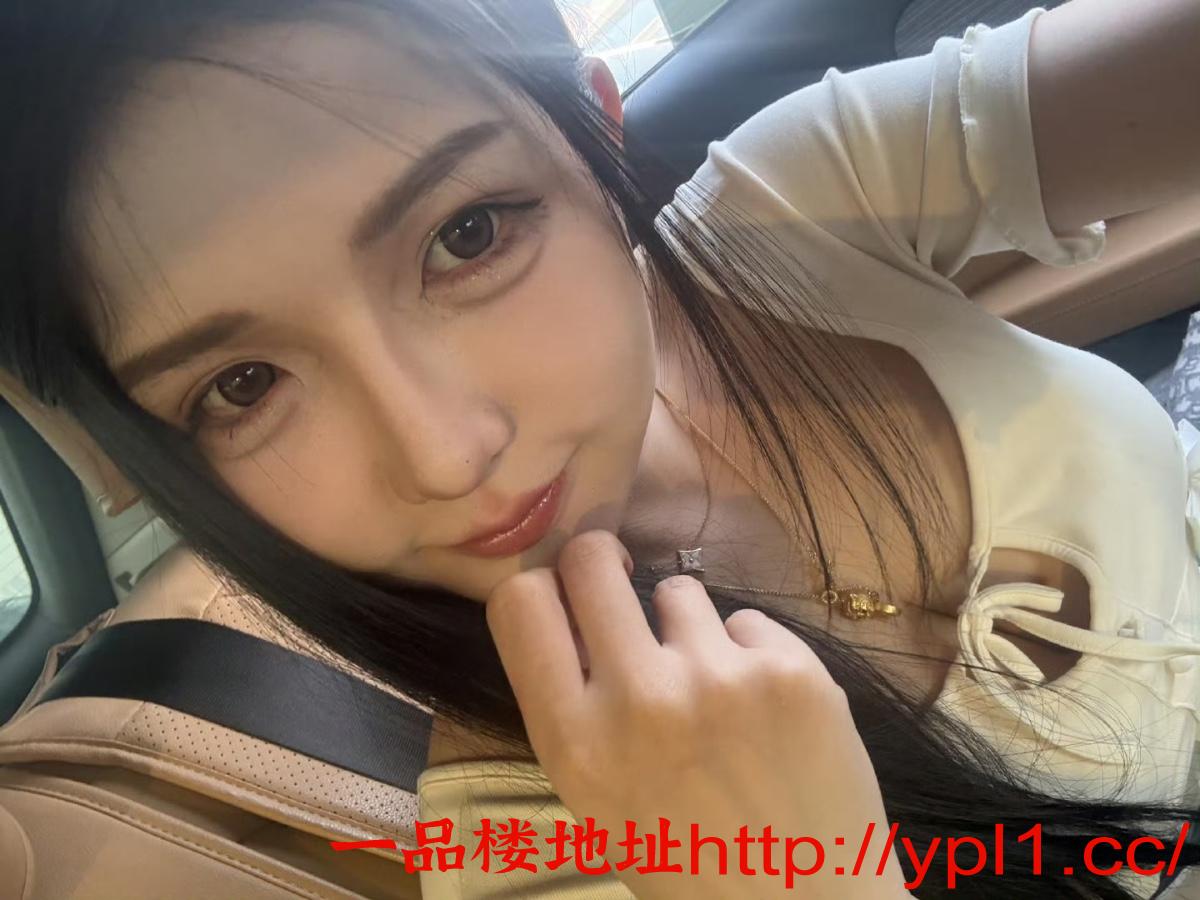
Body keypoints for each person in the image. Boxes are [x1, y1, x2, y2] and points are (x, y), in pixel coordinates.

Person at [0, 0, 1198, 896]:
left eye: (468, 235)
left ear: (597, 135)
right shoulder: (522, 836)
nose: (446, 456)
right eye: (243, 386)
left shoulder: (797, 209)